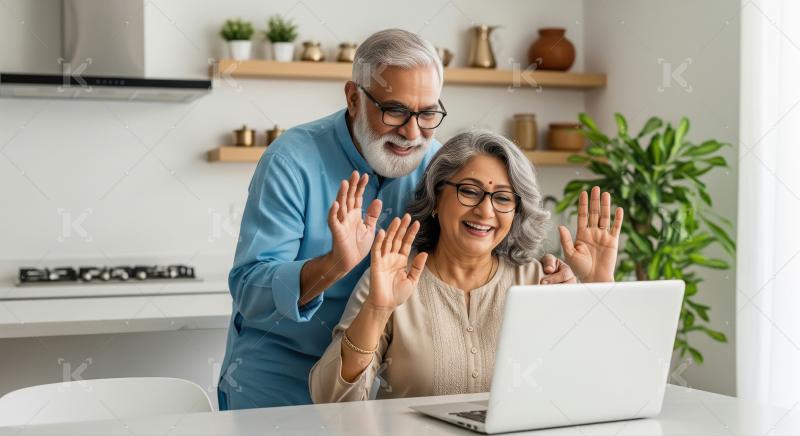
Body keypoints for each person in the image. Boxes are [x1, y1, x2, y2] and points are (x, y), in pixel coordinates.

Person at [218, 30, 576, 409]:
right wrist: (333, 265)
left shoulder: (436, 165)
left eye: (427, 113)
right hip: (276, 380)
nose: (411, 132)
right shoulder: (291, 160)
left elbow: (475, 239)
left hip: (367, 382)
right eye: (395, 111)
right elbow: (248, 289)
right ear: (354, 99)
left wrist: (553, 282)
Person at [309, 130, 624, 402]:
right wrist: (378, 308)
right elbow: (332, 401)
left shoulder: (543, 282)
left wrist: (598, 285)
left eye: (502, 198)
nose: (485, 211)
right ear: (436, 197)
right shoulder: (390, 279)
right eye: (470, 191)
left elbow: (597, 389)